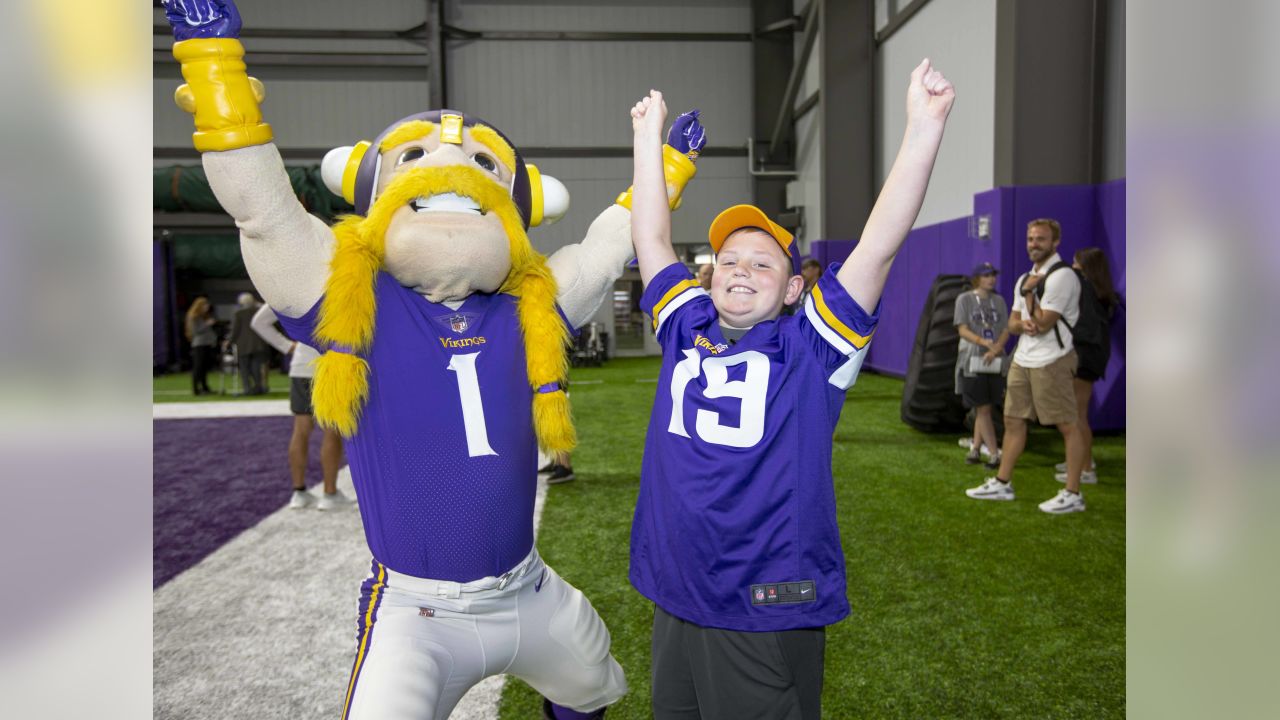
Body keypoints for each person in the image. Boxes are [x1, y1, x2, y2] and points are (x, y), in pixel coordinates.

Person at [628, 58, 954, 718]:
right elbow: (651, 236)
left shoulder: (811, 348)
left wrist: (923, 128)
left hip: (760, 607)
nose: (740, 270)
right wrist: (648, 141)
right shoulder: (685, 321)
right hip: (677, 594)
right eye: (728, 259)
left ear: (794, 288)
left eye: (762, 262)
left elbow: (878, 248)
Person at [965, 218, 1087, 513]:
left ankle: (1073, 493)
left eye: (1041, 239)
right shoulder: (1024, 278)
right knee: (1012, 421)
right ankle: (1003, 482)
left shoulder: (1062, 277)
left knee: (1067, 425)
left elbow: (1043, 323)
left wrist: (1030, 296)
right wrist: (1023, 318)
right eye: (1031, 239)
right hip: (1022, 359)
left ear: (1055, 243)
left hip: (1052, 360)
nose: (1034, 244)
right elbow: (1014, 323)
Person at [251, 304, 351, 511]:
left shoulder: (292, 288)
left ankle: (299, 492)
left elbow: (259, 322)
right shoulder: (336, 282)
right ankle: (330, 494)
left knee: (301, 431)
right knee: (332, 431)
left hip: (301, 367)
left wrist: (287, 347)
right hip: (330, 365)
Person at [1054, 246, 1120, 485]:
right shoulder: (1102, 293)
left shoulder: (1083, 289)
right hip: (1092, 356)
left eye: (1075, 263)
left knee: (1077, 415)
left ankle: (1086, 469)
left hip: (1083, 355)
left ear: (1084, 267)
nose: (1072, 267)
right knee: (1078, 414)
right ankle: (1080, 460)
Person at [953, 262, 1009, 469]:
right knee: (983, 408)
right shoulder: (965, 299)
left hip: (994, 361)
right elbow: (962, 329)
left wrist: (995, 349)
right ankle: (994, 454)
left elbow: (1005, 329)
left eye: (993, 275)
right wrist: (983, 342)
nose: (991, 279)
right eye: (987, 275)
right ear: (977, 278)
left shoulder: (999, 301)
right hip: (972, 361)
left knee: (984, 407)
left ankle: (975, 449)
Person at [227, 292, 271, 395]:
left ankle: (247, 389)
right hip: (259, 344)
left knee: (244, 368)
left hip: (243, 345)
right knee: (257, 367)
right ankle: (259, 388)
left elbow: (235, 330)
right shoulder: (259, 311)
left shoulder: (238, 313)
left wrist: (229, 342)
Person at [185, 296, 217, 395]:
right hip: (199, 344)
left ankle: (205, 387)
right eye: (205, 305)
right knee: (198, 367)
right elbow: (195, 331)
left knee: (204, 367)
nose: (207, 306)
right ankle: (196, 389)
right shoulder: (193, 316)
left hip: (206, 344)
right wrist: (207, 324)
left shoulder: (204, 316)